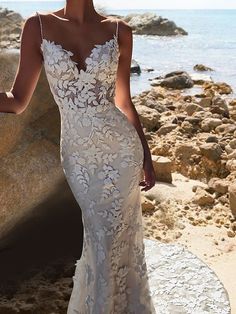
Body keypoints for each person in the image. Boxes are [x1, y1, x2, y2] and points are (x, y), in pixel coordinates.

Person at [0, 0, 157, 312]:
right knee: (101, 233)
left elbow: (124, 101)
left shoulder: (119, 31)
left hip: (122, 152)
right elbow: (17, 101)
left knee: (109, 237)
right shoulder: (38, 26)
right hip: (79, 155)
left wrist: (146, 156)